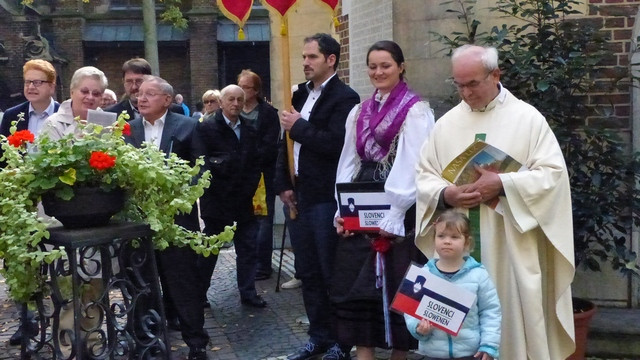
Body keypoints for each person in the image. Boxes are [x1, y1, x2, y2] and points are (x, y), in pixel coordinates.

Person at [415, 44, 575, 359]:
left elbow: (553, 176)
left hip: (509, 242)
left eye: (473, 83)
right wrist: (447, 194)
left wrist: (502, 183)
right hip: (457, 243)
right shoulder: (446, 124)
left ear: (495, 74)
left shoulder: (527, 119)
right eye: (458, 85)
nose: (466, 93)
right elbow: (424, 176)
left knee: (510, 318)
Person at [332, 40, 434, 360]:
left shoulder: (415, 109)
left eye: (386, 65)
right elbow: (348, 160)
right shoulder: (359, 111)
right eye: (373, 66)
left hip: (398, 202)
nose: (378, 72)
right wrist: (341, 208)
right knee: (358, 284)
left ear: (401, 67)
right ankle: (364, 353)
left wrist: (395, 212)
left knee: (397, 280)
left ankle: (399, 355)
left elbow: (414, 163)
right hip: (363, 198)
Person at [274, 33, 360, 360]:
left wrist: (299, 128)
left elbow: (337, 145)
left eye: (312, 57)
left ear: (331, 59)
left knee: (331, 273)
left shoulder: (345, 98)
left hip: (327, 197)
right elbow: (283, 145)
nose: (306, 62)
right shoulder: (298, 95)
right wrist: (283, 183)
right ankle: (318, 335)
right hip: (299, 196)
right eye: (304, 56)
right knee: (307, 271)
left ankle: (342, 340)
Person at [123, 75, 209, 360]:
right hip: (138, 220)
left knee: (183, 283)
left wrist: (179, 188)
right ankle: (147, 341)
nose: (141, 98)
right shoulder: (128, 129)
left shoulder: (187, 126)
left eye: (149, 94)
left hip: (175, 220)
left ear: (167, 100)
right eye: (139, 94)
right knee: (142, 283)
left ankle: (196, 343)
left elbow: (200, 166)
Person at [0, 58, 59, 346]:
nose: (31, 87)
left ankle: (60, 316)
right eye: (27, 82)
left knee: (56, 260)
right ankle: (27, 321)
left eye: (38, 82)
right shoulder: (12, 115)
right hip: (21, 200)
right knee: (21, 262)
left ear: (52, 85)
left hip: (55, 201)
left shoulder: (64, 114)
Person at [193, 84, 266, 308]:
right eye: (231, 99)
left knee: (247, 248)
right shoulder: (206, 128)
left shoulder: (250, 129)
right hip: (216, 202)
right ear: (222, 102)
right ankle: (199, 293)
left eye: (239, 100)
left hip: (243, 200)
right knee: (210, 250)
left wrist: (247, 190)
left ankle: (248, 292)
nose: (235, 104)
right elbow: (201, 162)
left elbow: (255, 164)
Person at [406, 210, 501, 360]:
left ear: (467, 242)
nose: (447, 241)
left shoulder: (478, 275)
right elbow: (410, 309)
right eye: (441, 236)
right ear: (434, 239)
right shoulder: (423, 275)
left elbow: (490, 312)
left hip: (470, 353)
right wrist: (418, 328)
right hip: (433, 353)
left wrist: (489, 345)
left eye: (454, 237)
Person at [237, 69, 280, 281]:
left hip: (262, 172)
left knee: (264, 219)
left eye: (246, 87)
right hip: (237, 175)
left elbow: (272, 144)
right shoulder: (232, 112)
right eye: (240, 86)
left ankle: (263, 265)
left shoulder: (268, 113)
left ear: (255, 90)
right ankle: (245, 263)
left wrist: (250, 157)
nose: (242, 92)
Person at [105, 58, 184, 120]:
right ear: (123, 82)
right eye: (129, 82)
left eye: (139, 81)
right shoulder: (111, 114)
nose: (134, 87)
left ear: (150, 80)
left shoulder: (174, 111)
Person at [41, 66, 107, 140]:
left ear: (101, 97)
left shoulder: (107, 124)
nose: (90, 97)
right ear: (72, 92)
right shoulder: (53, 124)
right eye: (84, 91)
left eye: (96, 93)